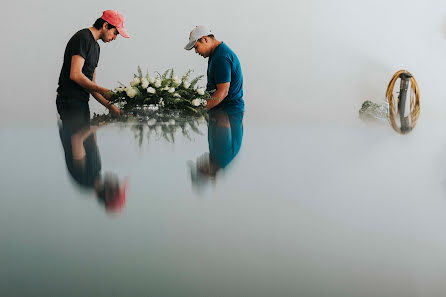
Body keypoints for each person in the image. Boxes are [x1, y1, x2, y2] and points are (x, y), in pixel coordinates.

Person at [56, 10, 130, 122]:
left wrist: (111, 107)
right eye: (115, 33)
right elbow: (75, 75)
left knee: (88, 138)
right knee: (77, 137)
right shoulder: (82, 38)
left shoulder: (96, 47)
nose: (115, 38)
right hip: (70, 101)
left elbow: (91, 85)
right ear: (105, 26)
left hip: (82, 101)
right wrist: (104, 90)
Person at [58, 109, 127, 212]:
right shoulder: (96, 173)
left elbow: (77, 139)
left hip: (71, 115)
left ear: (108, 193)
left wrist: (99, 124)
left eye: (116, 185)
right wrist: (108, 119)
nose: (116, 179)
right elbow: (92, 141)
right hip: (79, 116)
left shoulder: (85, 178)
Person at [184, 26, 244, 112]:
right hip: (224, 111)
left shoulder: (221, 57)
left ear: (205, 39)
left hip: (227, 113)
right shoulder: (217, 53)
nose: (196, 51)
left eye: (196, 47)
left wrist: (198, 110)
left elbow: (223, 92)